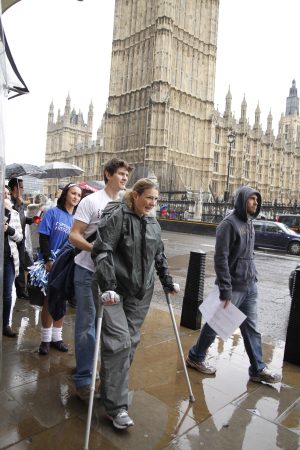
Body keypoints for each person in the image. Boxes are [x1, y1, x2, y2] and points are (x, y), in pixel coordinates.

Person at [91, 178, 180, 430]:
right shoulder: (118, 214)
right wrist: (107, 286)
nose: (153, 203)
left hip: (141, 293)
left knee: (129, 343)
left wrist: (167, 280)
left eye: (156, 199)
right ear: (136, 195)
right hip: (114, 291)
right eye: (149, 197)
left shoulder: (153, 221)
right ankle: (116, 408)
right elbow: (103, 250)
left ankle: (109, 388)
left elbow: (158, 254)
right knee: (119, 342)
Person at [186, 186, 281, 384]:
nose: (256, 202)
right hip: (233, 287)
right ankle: (195, 357)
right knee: (215, 324)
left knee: (252, 329)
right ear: (242, 200)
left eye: (257, 199)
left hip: (249, 285)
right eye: (252, 199)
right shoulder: (228, 224)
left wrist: (253, 274)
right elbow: (221, 258)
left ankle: (258, 368)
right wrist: (226, 289)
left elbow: (247, 254)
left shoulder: (250, 222)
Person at [69, 158, 132, 400]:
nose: (124, 178)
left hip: (113, 277)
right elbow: (74, 236)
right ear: (107, 174)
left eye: (127, 174)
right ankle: (85, 379)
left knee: (109, 329)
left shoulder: (127, 203)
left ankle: (103, 374)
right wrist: (95, 251)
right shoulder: (91, 201)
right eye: (120, 173)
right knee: (87, 326)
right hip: (87, 272)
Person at [37, 182, 82, 355]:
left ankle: (57, 338)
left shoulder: (78, 220)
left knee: (61, 298)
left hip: (67, 265)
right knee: (49, 299)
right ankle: (45, 339)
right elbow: (43, 237)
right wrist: (48, 259)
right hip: (51, 263)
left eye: (79, 195)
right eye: (73, 193)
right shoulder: (52, 213)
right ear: (65, 194)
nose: (76, 197)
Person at [8, 177, 33, 299]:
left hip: (21, 237)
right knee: (16, 264)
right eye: (21, 187)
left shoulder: (20, 202)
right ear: (15, 188)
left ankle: (21, 291)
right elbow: (12, 218)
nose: (23, 189)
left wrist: (32, 220)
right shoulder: (10, 202)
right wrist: (18, 204)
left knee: (22, 264)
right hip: (12, 238)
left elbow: (21, 219)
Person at [3, 186, 23, 337]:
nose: (7, 196)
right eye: (3, 193)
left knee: (7, 292)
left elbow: (19, 237)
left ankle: (5, 325)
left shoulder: (14, 214)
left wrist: (9, 229)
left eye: (8, 194)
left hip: (8, 258)